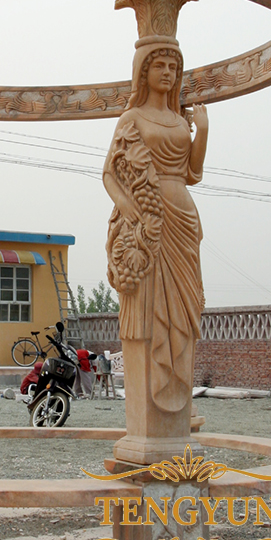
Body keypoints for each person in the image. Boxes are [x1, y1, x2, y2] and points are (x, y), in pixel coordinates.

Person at [103, 39, 208, 414]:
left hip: (182, 216)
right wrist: (127, 205)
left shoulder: (181, 121)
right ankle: (152, 402)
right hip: (147, 221)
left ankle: (178, 387)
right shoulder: (131, 119)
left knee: (185, 304)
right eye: (159, 66)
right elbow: (109, 173)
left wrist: (203, 131)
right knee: (148, 304)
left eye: (172, 68)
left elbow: (192, 173)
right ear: (143, 72)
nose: (167, 73)